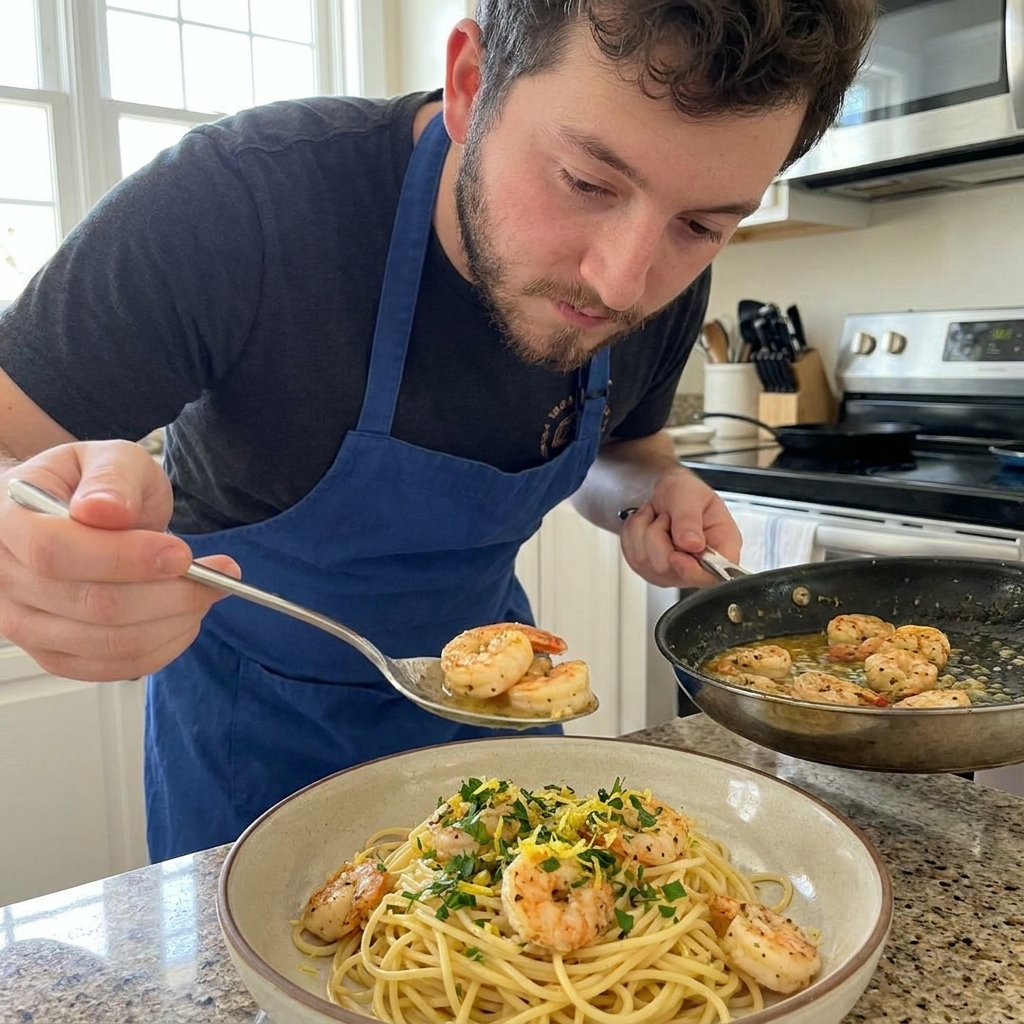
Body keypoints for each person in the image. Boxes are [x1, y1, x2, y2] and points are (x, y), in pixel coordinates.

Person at [0, 0, 875, 861]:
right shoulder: (244, 201)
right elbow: (13, 453)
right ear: (470, 81)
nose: (622, 283)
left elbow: (626, 452)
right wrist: (36, 555)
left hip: (500, 713)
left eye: (702, 226)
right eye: (586, 182)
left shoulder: (664, 286)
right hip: (250, 744)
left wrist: (658, 493)